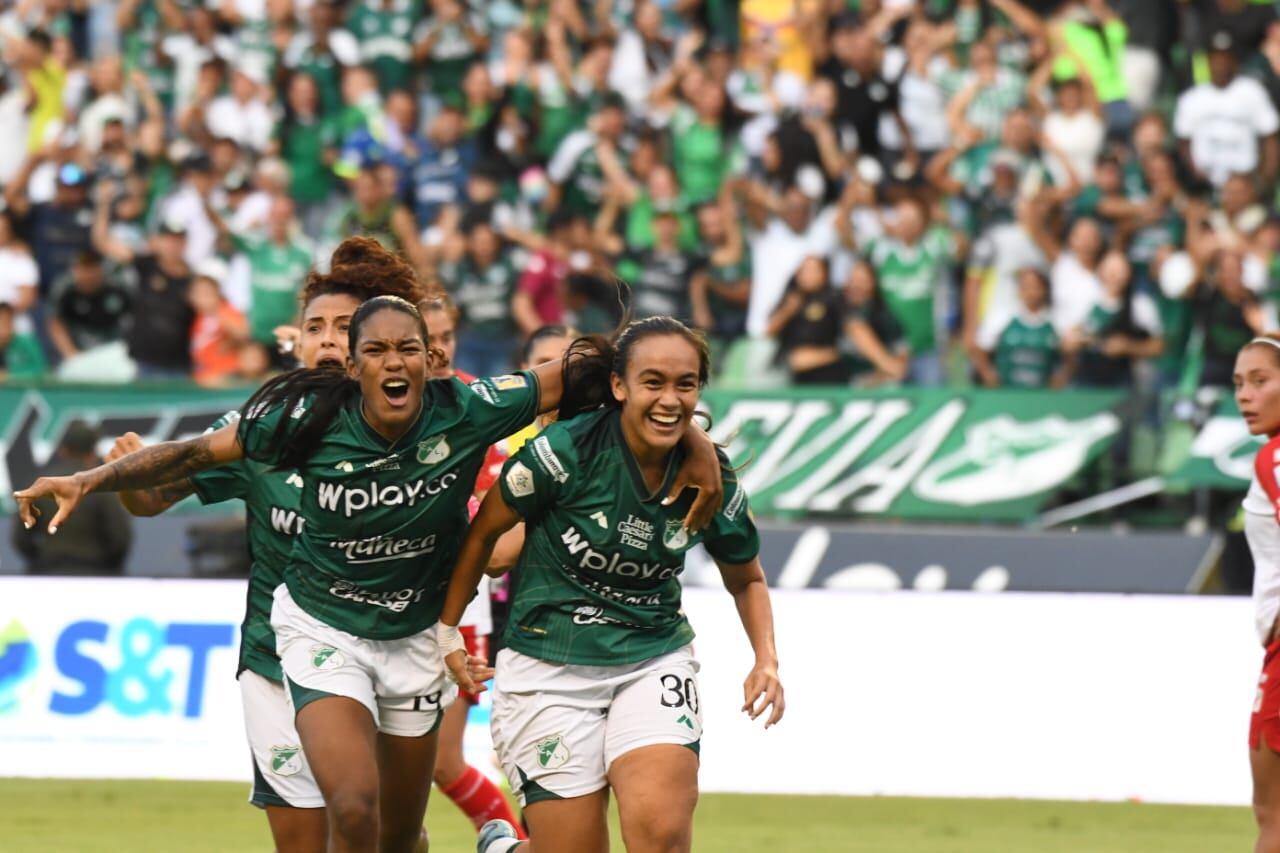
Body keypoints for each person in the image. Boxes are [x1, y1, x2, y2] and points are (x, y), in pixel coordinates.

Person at [15, 302, 725, 853]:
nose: (396, 362)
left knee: (396, 835)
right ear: (353, 366)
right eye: (377, 350)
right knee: (352, 804)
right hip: (323, 629)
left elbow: (603, 373)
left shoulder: (469, 409)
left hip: (414, 640)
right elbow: (194, 452)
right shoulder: (306, 416)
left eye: (409, 348)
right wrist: (88, 478)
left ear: (429, 360)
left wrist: (692, 435)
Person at [104, 237, 428, 853]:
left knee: (386, 835)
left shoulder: (416, 426)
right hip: (275, 662)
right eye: (316, 327)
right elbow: (151, 500)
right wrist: (128, 476)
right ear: (295, 341)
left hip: (382, 654)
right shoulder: (253, 428)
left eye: (345, 327)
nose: (329, 339)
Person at [435, 316, 784, 853]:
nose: (670, 399)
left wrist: (766, 658)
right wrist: (446, 630)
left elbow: (747, 577)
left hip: (652, 655)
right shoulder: (565, 451)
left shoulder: (709, 475)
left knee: (661, 835)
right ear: (619, 386)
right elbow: (486, 536)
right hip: (547, 663)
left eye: (685, 384)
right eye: (653, 382)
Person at [1234, 333, 1280, 853]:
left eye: (1260, 381)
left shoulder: (1275, 457)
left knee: (1272, 814)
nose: (1246, 395)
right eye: (1239, 383)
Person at [12, 421, 131, 576]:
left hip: (49, 573)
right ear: (93, 450)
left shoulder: (41, 485)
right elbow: (120, 538)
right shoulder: (103, 487)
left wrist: (41, 561)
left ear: (63, 450)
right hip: (95, 573)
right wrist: (106, 568)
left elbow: (21, 538)